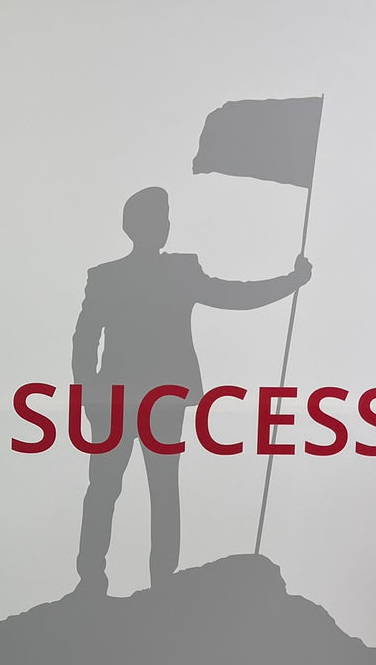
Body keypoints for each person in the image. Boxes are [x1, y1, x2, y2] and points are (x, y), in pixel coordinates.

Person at [71, 186, 311, 595]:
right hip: (126, 401)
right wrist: (90, 395)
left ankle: (133, 581)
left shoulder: (139, 274)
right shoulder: (124, 276)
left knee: (131, 489)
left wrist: (291, 282)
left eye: (163, 220)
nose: (162, 227)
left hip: (140, 400)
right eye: (156, 220)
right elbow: (84, 341)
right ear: (136, 227)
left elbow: (235, 295)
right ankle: (110, 581)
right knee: (128, 489)